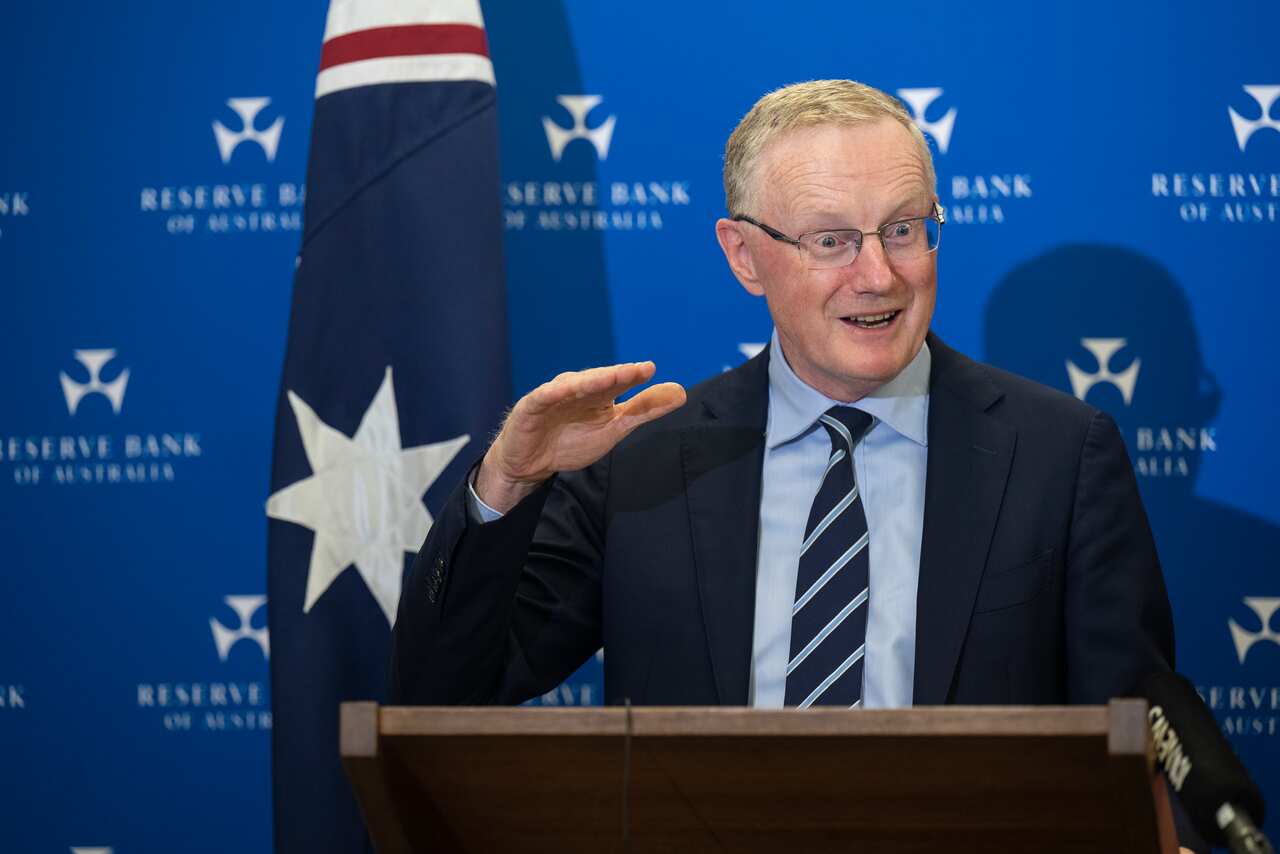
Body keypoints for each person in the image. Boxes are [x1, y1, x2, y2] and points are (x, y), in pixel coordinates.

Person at [390, 79, 1196, 849]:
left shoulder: (1059, 453)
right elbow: (454, 690)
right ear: (744, 256)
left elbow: (1148, 733)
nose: (878, 274)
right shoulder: (646, 459)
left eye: (904, 229)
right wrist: (507, 484)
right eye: (831, 240)